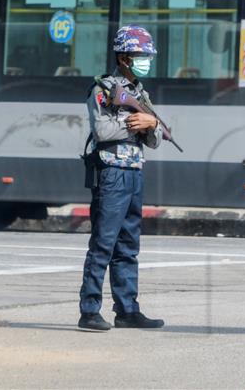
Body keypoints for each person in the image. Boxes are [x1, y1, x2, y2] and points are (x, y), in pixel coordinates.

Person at [78, 25, 164, 331]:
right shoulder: (103, 89)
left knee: (129, 245)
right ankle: (89, 310)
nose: (146, 60)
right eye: (141, 55)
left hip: (134, 173)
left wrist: (149, 124)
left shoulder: (140, 92)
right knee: (103, 243)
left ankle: (127, 309)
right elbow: (102, 131)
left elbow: (155, 140)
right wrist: (136, 125)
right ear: (124, 56)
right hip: (111, 173)